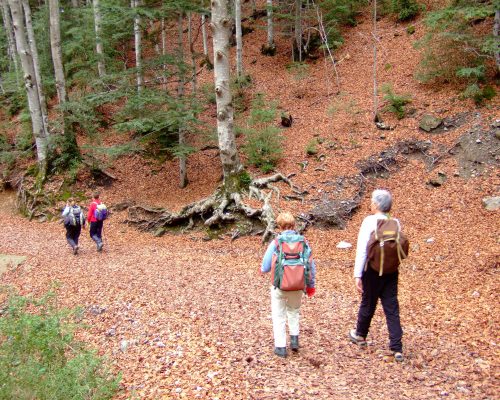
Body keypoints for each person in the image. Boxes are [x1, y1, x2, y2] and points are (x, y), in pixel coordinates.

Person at [349, 189, 404, 362]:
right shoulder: (395, 222)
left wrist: (357, 274)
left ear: (377, 204)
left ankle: (360, 335)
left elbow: (362, 250)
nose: (371, 203)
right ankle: (396, 347)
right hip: (391, 270)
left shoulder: (368, 222)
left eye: (372, 201)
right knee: (392, 307)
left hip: (372, 270)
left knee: (368, 302)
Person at [261, 212, 317, 358]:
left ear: (280, 226)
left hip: (280, 285)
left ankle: (280, 347)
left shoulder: (276, 243)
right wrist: (311, 285)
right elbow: (311, 265)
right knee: (294, 311)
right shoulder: (303, 242)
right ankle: (294, 340)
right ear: (293, 225)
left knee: (278, 315)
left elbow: (265, 267)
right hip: (298, 285)